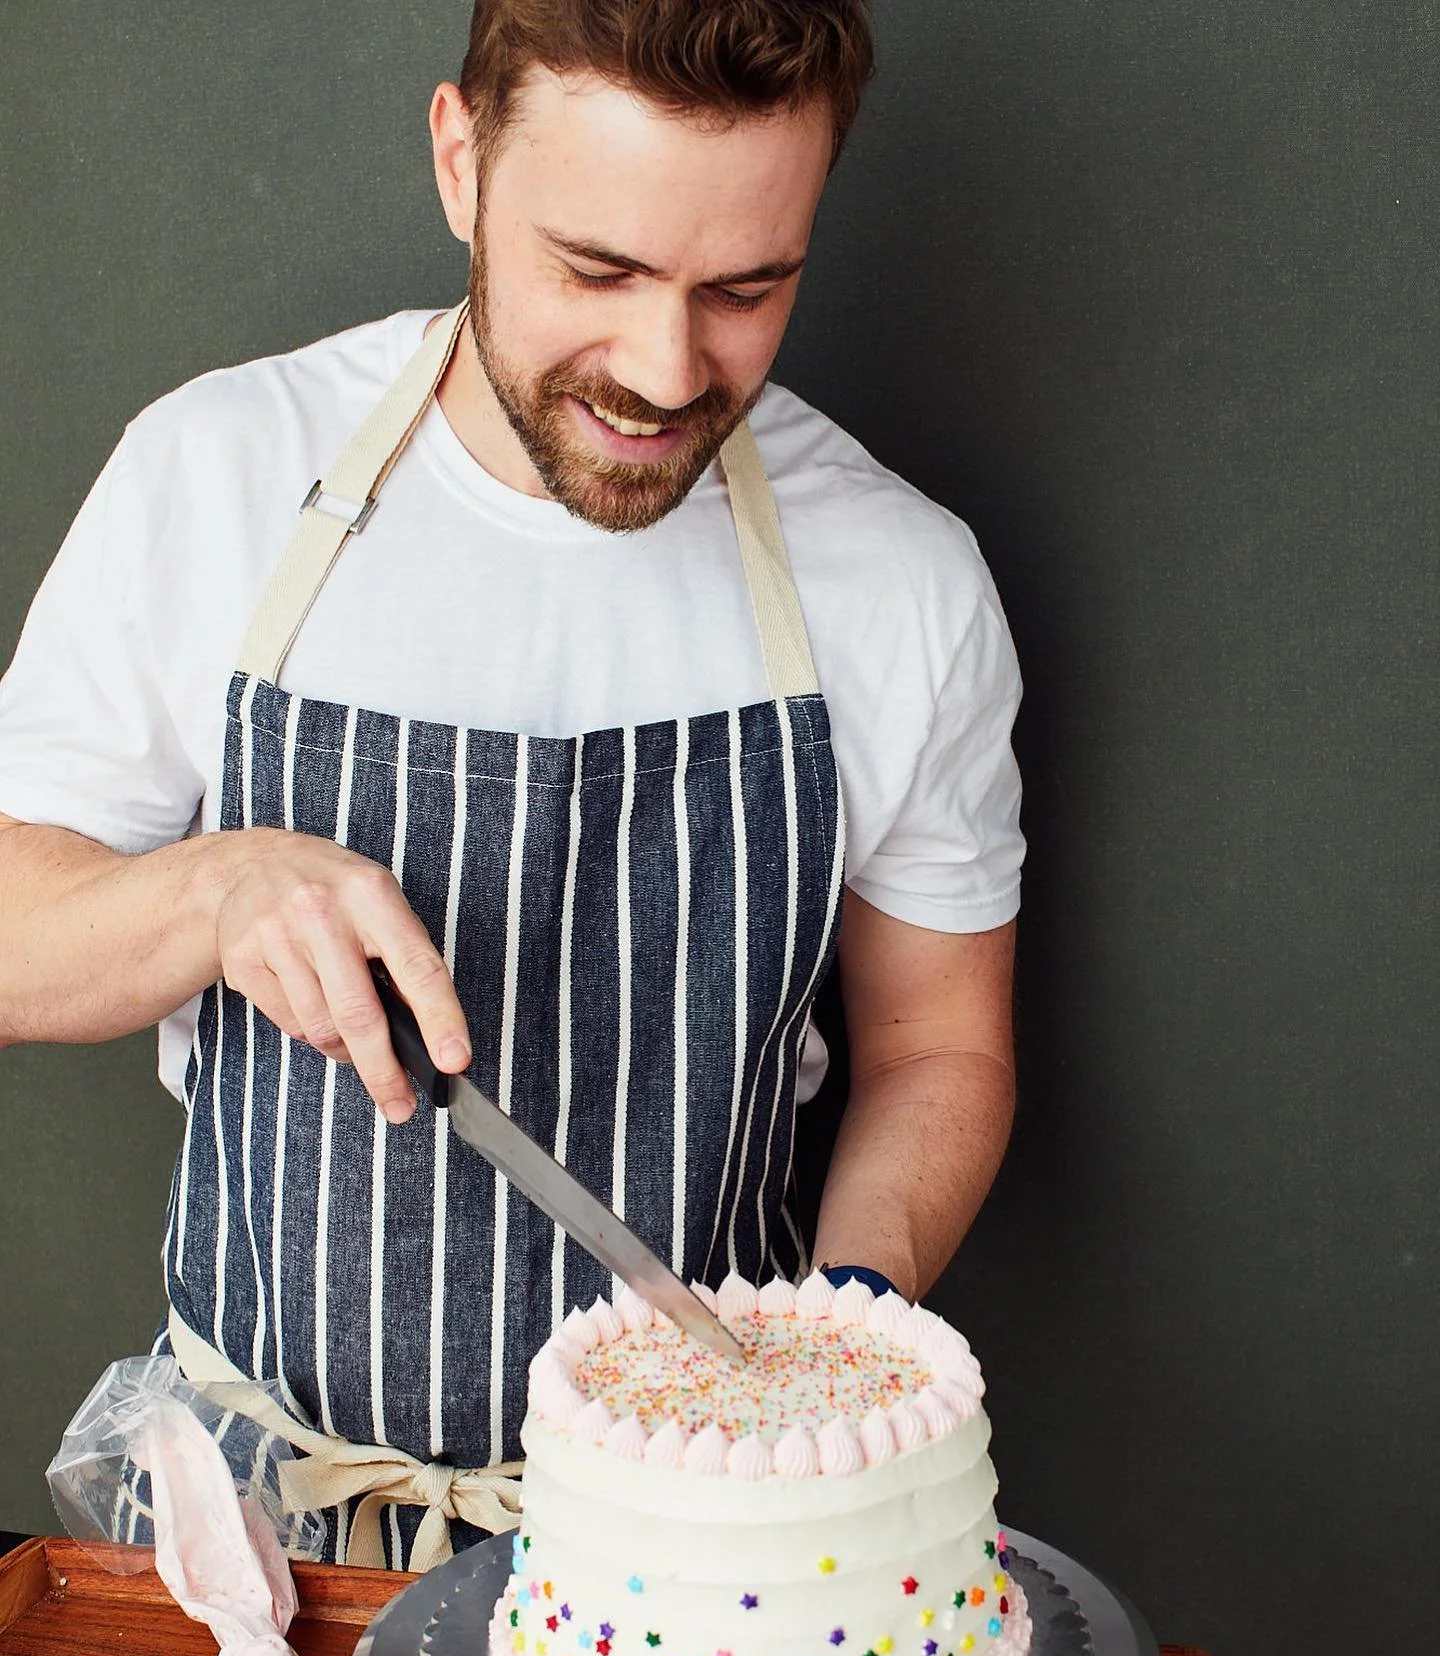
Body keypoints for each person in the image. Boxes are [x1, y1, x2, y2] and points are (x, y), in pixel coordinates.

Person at [0, 0, 1022, 1570]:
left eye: (747, 288)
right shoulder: (213, 473)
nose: (666, 368)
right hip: (258, 1539)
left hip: (697, 1542)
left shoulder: (899, 580)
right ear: (460, 162)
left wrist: (843, 1342)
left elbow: (937, 1044)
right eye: (597, 271)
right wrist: (214, 890)